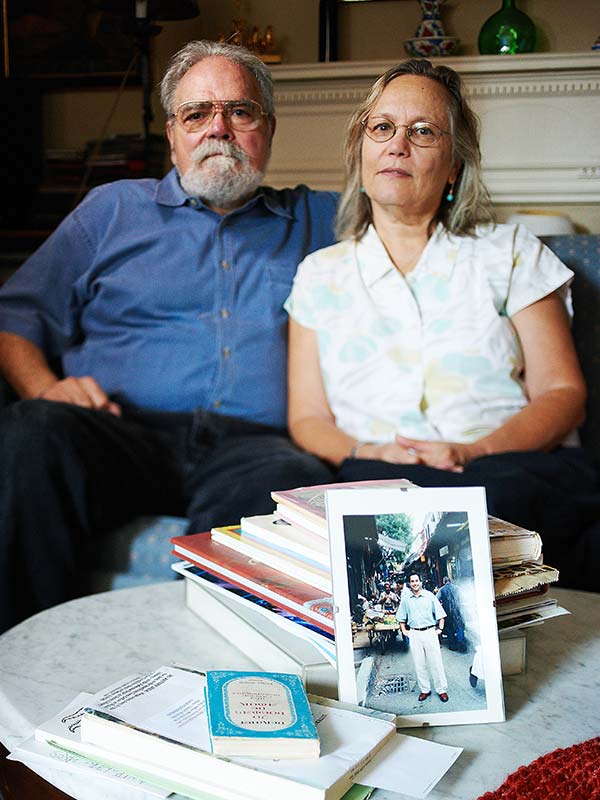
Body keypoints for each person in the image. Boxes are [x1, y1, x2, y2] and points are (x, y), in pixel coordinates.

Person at [0, 40, 338, 633]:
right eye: (197, 114)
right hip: (118, 433)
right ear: (173, 134)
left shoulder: (321, 219)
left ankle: (225, 689)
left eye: (240, 111)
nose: (219, 129)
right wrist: (44, 387)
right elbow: (16, 317)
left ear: (268, 129)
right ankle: (20, 659)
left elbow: (416, 211)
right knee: (32, 431)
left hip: (253, 446)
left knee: (283, 486)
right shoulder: (110, 211)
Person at [285, 58, 600, 588]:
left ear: (454, 165)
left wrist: (474, 451)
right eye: (381, 127)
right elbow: (308, 417)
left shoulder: (509, 252)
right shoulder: (320, 275)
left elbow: (563, 392)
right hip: (376, 477)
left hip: (507, 471)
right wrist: (368, 452)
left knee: (497, 502)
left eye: (423, 131)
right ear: (360, 153)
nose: (397, 144)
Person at [396, 572, 449, 702]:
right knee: (419, 664)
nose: (414, 583)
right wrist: (404, 631)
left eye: (416, 581)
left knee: (436, 662)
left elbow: (441, 614)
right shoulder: (406, 599)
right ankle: (425, 690)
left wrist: (440, 629)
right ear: (409, 583)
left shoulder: (429, 596)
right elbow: (401, 617)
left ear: (420, 582)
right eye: (412, 581)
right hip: (414, 633)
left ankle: (441, 690)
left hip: (429, 632)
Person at [436, 576, 466, 652]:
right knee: (459, 627)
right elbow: (462, 597)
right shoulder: (457, 588)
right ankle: (462, 644)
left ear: (444, 582)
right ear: (450, 581)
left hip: (447, 612)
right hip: (457, 611)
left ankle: (453, 646)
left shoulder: (441, 590)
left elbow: (436, 600)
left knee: (450, 629)